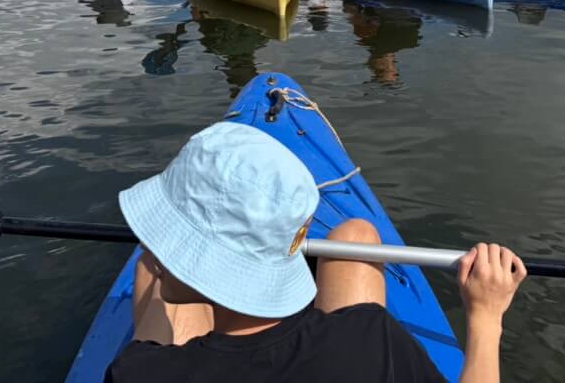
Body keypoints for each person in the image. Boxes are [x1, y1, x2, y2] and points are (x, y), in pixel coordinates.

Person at [103, 121, 527, 383]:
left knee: (149, 270)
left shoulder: (140, 372)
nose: (157, 244)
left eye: (169, 233)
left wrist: (159, 266)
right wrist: (486, 317)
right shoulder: (369, 338)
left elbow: (153, 295)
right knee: (357, 236)